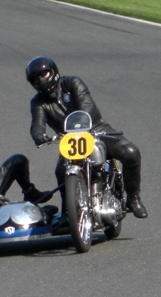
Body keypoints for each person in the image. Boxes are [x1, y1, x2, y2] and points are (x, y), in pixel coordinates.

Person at [25, 55, 148, 219]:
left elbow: (86, 106)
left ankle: (133, 198)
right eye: (35, 78)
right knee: (60, 170)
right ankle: (68, 210)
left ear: (53, 71)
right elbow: (37, 123)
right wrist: (38, 135)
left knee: (131, 152)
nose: (40, 80)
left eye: (43, 74)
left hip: (96, 129)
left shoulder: (72, 83)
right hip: (69, 140)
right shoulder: (38, 102)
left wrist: (82, 124)